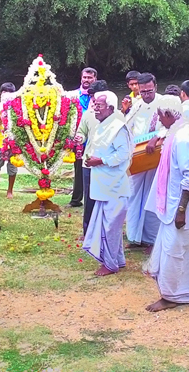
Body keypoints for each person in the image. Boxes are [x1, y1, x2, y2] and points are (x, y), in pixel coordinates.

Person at [143, 105, 189, 312]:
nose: (159, 120)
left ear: (170, 115)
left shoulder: (183, 138)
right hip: (176, 204)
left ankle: (171, 296)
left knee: (173, 251)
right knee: (185, 251)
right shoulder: (181, 133)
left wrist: (182, 210)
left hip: (181, 207)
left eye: (161, 116)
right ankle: (187, 292)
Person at [82, 91, 134, 276]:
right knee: (110, 225)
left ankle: (110, 265)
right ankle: (117, 260)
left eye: (100, 105)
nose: (95, 108)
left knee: (110, 226)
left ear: (111, 108)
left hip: (114, 186)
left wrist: (101, 160)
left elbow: (123, 155)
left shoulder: (118, 127)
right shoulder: (103, 124)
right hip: (103, 184)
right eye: (95, 104)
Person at [124, 73, 170, 251]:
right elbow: (127, 126)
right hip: (138, 156)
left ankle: (151, 239)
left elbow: (174, 124)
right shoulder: (137, 105)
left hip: (156, 156)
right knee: (134, 195)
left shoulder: (164, 103)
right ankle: (135, 237)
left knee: (153, 195)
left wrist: (157, 137)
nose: (146, 95)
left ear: (155, 87)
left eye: (149, 91)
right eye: (143, 92)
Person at [76, 80, 109, 235]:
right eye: (93, 101)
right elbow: (81, 132)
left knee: (107, 198)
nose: (95, 105)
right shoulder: (88, 114)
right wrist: (79, 139)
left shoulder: (116, 117)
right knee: (89, 198)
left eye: (98, 101)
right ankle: (88, 231)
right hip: (89, 162)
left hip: (108, 164)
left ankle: (105, 229)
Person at [68, 67, 97, 208]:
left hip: (95, 137)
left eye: (90, 78)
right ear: (81, 78)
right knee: (78, 169)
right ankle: (76, 199)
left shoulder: (99, 97)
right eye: (85, 77)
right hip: (78, 137)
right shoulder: (73, 95)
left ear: (95, 79)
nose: (87, 80)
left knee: (95, 168)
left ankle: (93, 198)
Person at [0, 83, 19, 199]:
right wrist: (1, 119)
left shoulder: (17, 107)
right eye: (4, 92)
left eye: (9, 93)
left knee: (12, 167)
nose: (6, 95)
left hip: (14, 142)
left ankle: (10, 191)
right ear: (0, 94)